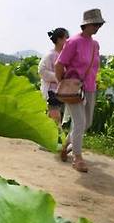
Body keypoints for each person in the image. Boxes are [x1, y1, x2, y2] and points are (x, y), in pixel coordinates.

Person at [54, 9, 104, 173]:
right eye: (95, 24)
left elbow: (95, 66)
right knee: (80, 122)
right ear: (86, 24)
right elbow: (59, 64)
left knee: (86, 123)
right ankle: (77, 157)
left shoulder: (95, 44)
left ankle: (67, 144)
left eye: (99, 24)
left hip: (90, 88)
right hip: (74, 89)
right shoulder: (73, 42)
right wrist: (62, 83)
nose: (98, 27)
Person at [38, 28, 69, 124]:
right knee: (56, 117)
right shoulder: (50, 55)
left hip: (60, 91)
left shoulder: (65, 56)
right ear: (59, 40)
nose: (68, 41)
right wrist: (56, 77)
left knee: (52, 116)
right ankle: (57, 136)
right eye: (66, 38)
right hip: (51, 91)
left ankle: (44, 133)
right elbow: (41, 71)